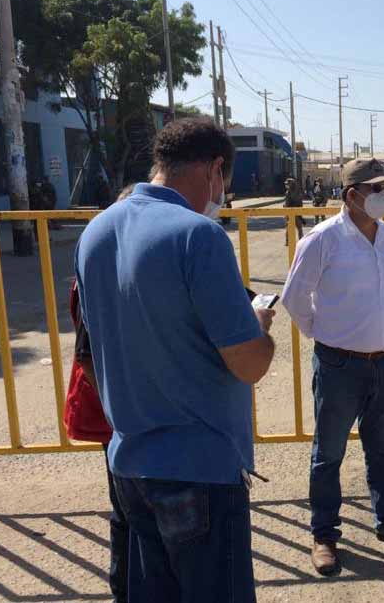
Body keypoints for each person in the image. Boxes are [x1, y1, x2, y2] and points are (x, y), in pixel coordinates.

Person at [75, 117, 276, 602]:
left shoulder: (97, 231)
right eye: (224, 182)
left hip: (127, 464)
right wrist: (261, 331)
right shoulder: (198, 236)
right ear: (214, 168)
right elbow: (248, 363)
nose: (222, 193)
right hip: (198, 469)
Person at [282, 157, 384, 577]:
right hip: (339, 365)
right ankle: (324, 534)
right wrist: (330, 338)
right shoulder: (322, 240)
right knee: (328, 455)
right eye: (378, 190)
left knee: (383, 450)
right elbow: (295, 299)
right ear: (353, 196)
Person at [64, 279, 129, 603]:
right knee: (129, 508)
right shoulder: (98, 271)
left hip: (119, 405)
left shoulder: (94, 263)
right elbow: (88, 353)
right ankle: (127, 590)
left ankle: (127, 589)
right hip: (124, 406)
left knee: (127, 508)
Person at [284, 177, 305, 245]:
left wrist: (285, 207)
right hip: (298, 212)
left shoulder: (288, 192)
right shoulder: (298, 191)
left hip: (290, 212)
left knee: (289, 228)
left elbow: (287, 204)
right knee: (299, 228)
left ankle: (287, 241)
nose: (286, 185)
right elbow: (300, 203)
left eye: (287, 184)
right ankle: (301, 241)